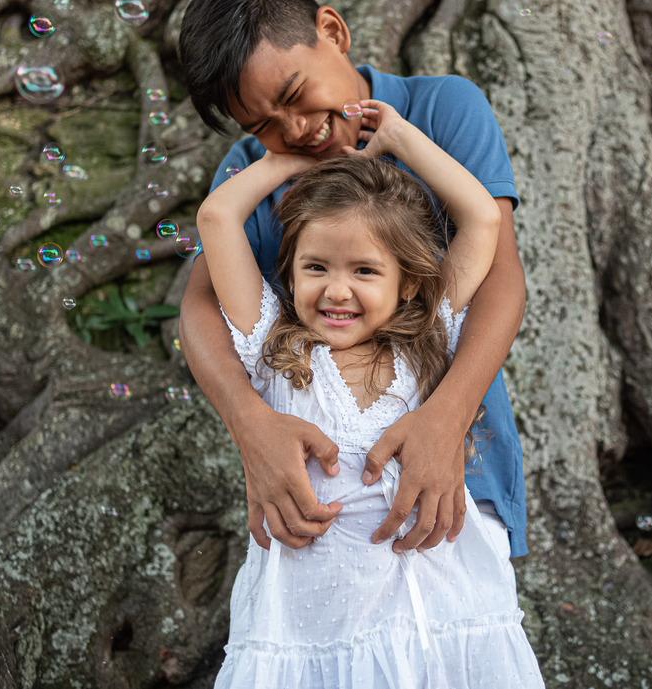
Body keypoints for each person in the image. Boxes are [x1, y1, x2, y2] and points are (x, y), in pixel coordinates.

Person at [177, 0, 529, 566]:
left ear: (333, 33)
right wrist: (249, 427)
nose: (297, 128)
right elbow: (202, 308)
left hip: (458, 469)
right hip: (327, 508)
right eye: (262, 124)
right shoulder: (250, 175)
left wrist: (446, 420)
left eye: (294, 94)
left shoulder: (442, 111)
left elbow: (499, 277)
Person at [196, 101, 544, 685]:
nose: (336, 290)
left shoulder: (431, 332)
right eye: (315, 268)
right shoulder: (272, 345)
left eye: (364, 271)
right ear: (289, 274)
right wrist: (286, 159)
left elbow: (483, 218)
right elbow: (216, 217)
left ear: (408, 281)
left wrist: (403, 140)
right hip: (312, 625)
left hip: (440, 611)